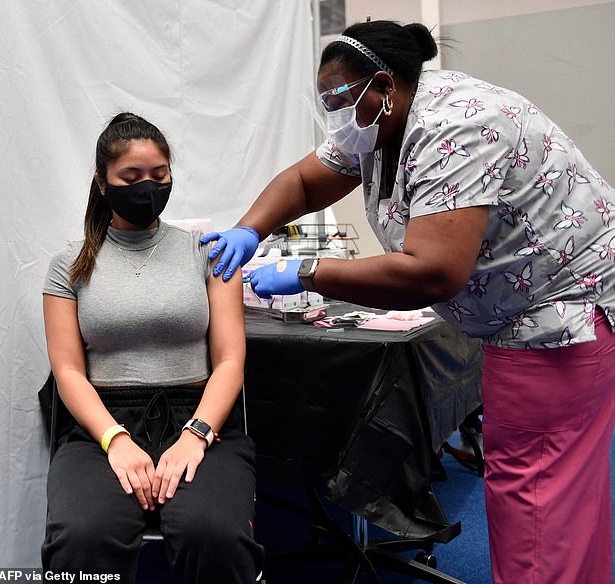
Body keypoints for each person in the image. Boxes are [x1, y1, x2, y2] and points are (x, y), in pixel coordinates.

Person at [200, 20, 614, 584]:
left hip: (556, 319)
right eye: (326, 103)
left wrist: (309, 272)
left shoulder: (457, 126)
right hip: (529, 316)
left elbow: (432, 272)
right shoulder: (381, 120)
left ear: (384, 85)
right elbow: (305, 181)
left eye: (341, 99)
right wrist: (249, 228)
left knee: (534, 497)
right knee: (564, 496)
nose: (335, 114)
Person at [41, 112, 264, 584]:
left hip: (200, 417)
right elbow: (68, 372)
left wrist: (196, 434)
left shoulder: (210, 254)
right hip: (102, 426)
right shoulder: (69, 266)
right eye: (131, 177)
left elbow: (230, 361)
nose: (147, 187)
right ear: (102, 183)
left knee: (214, 534)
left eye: (159, 176)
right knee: (82, 538)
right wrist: (115, 439)